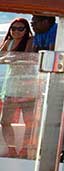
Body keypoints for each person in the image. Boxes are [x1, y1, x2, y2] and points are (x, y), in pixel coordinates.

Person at [1, 18, 37, 158]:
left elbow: (24, 57)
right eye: (13, 28)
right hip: (11, 86)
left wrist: (9, 58)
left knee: (29, 122)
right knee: (5, 121)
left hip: (28, 87)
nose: (16, 31)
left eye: (20, 28)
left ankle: (24, 150)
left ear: (26, 30)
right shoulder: (8, 42)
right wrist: (7, 58)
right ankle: (11, 149)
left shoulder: (30, 41)